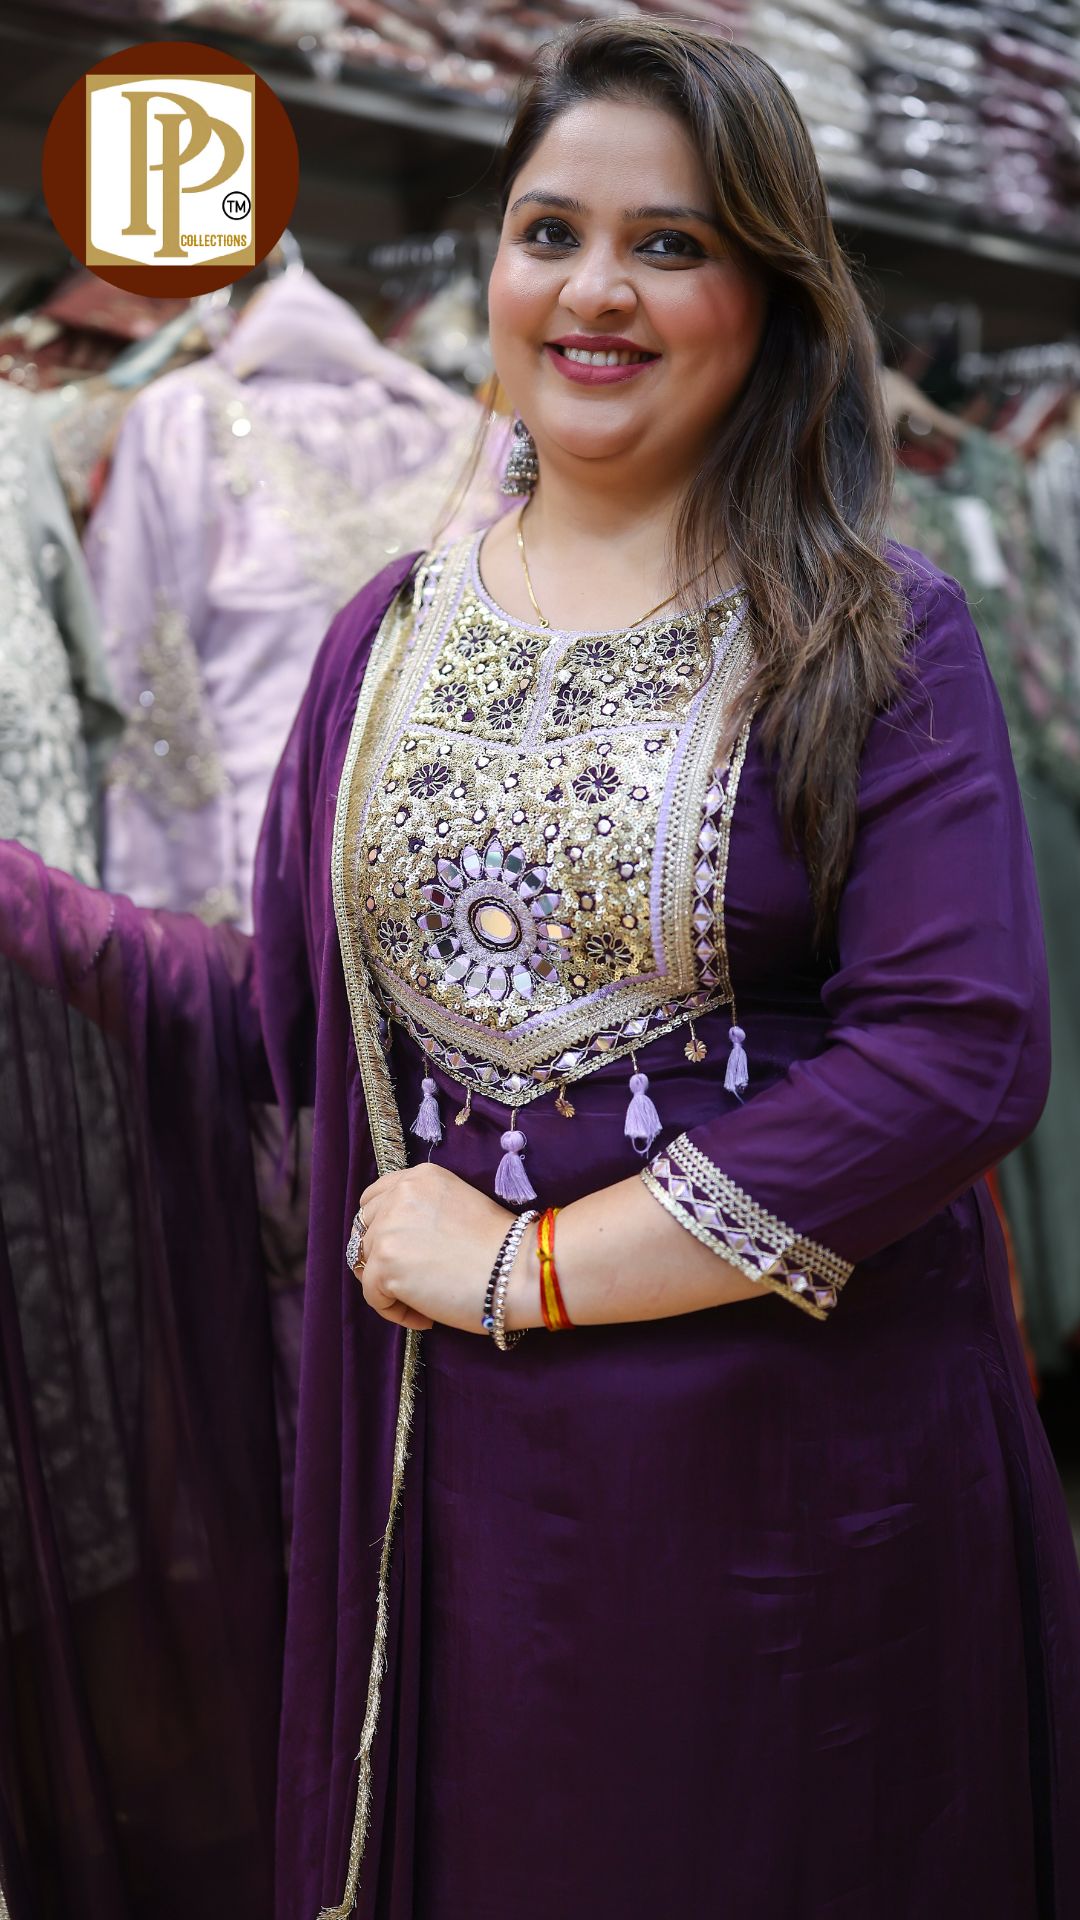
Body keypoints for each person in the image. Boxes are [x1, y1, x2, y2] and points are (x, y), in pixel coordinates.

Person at [2, 18, 1079, 1920]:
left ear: (770, 293)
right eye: (549, 232)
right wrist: (33, 912)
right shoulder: (384, 640)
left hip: (796, 1488)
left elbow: (957, 1055)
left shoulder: (871, 628)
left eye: (671, 244)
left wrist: (526, 1269)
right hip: (467, 1484)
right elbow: (297, 1027)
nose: (595, 290)